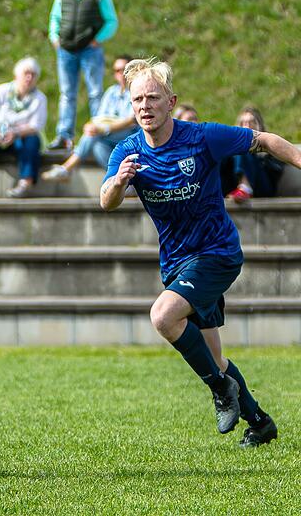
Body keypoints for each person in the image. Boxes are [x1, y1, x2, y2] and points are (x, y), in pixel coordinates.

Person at [101, 58, 301, 448]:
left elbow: (266, 141)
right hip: (177, 264)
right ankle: (260, 423)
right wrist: (119, 181)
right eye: (137, 99)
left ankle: (218, 389)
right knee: (216, 359)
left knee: (162, 316)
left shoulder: (203, 137)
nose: (145, 105)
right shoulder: (127, 151)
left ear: (171, 101)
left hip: (217, 254)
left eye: (153, 98)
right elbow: (106, 200)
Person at [48, 0, 118, 151]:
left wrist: (98, 39)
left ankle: (98, 133)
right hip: (66, 50)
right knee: (67, 94)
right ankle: (64, 136)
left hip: (90, 50)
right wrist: (54, 37)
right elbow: (55, 17)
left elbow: (111, 20)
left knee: (95, 93)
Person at [42, 54, 135, 182]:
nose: (121, 74)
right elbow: (100, 118)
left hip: (130, 135)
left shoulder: (136, 91)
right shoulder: (111, 92)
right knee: (97, 147)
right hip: (108, 136)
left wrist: (104, 129)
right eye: (117, 70)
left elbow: (132, 121)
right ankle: (125, 182)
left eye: (124, 69)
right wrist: (91, 125)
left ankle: (66, 169)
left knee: (94, 136)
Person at [0, 57, 47, 199]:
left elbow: (36, 125)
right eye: (26, 73)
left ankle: (26, 183)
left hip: (22, 136)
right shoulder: (1, 91)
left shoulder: (39, 98)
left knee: (32, 141)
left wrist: (16, 133)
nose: (29, 78)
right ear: (16, 75)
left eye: (33, 75)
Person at [221, 106, 284, 203]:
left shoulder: (270, 142)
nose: (247, 126)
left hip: (262, 187)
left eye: (251, 122)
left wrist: (260, 154)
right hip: (233, 188)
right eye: (243, 123)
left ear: (260, 125)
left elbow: (276, 170)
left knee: (243, 146)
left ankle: (245, 188)